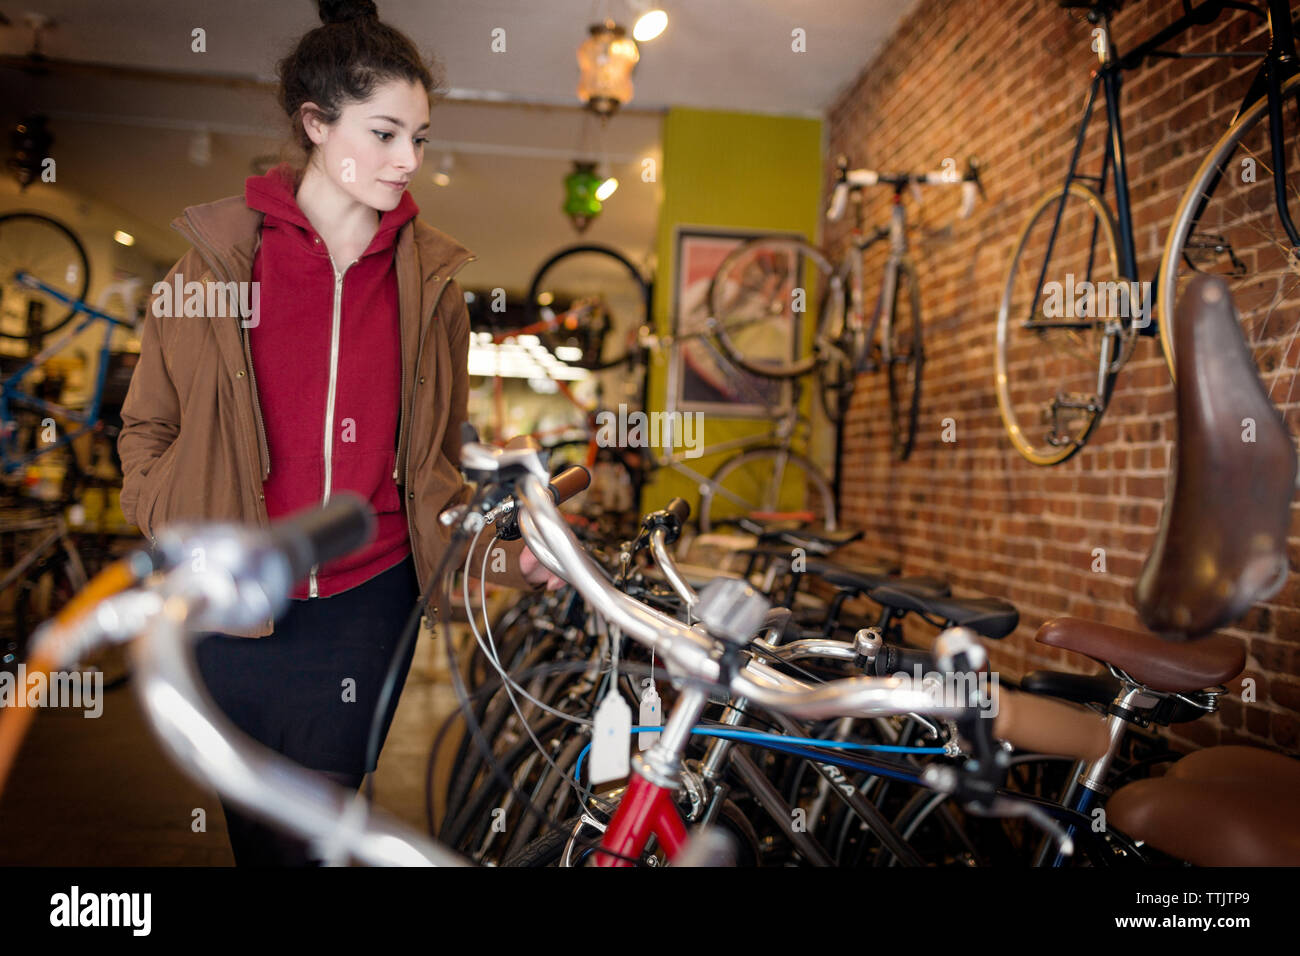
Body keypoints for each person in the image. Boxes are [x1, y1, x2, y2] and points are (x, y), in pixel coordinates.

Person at [117, 0, 561, 866]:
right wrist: (170, 515)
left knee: (311, 831)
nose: (409, 161)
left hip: (367, 600)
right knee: (254, 831)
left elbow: (437, 462)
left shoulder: (430, 284)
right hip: (231, 597)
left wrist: (509, 550)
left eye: (420, 139)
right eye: (386, 133)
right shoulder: (214, 261)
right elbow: (148, 424)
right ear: (316, 123)